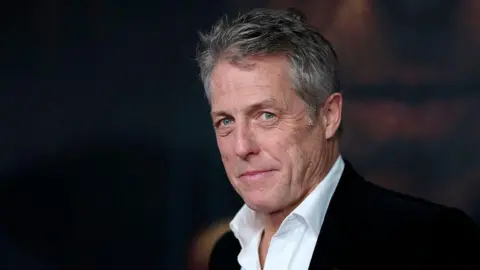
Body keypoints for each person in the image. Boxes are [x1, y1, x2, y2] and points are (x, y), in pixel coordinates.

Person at [195, 7, 480, 270]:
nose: (242, 146)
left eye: (267, 115)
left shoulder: (429, 239)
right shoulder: (227, 254)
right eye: (226, 121)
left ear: (329, 116)